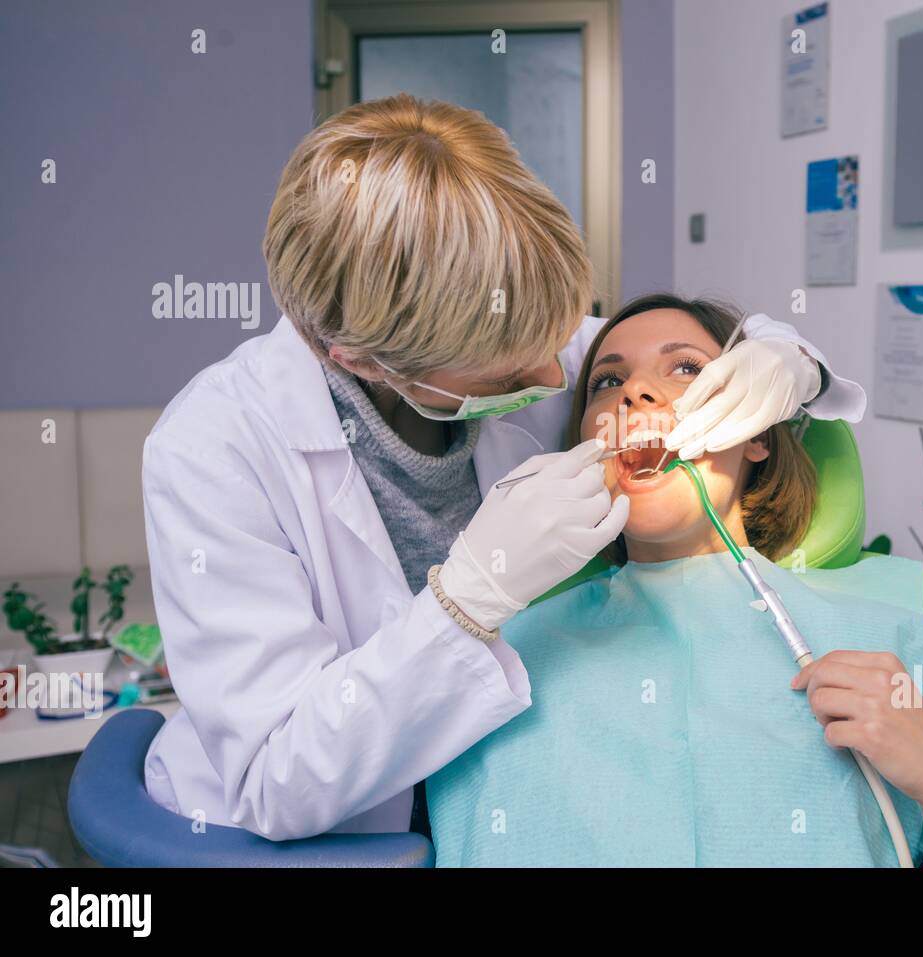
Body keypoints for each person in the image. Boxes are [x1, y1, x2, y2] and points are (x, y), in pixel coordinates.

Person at [140, 95, 867, 840]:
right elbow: (278, 781)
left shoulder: (519, 332)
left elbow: (681, 341)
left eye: (565, 340)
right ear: (361, 359)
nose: (560, 377)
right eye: (509, 374)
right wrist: (468, 599)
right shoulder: (214, 450)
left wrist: (787, 362)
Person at [423, 295, 923, 867]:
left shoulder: (892, 646)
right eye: (608, 381)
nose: (635, 392)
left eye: (686, 369)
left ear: (756, 435)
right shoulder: (502, 668)